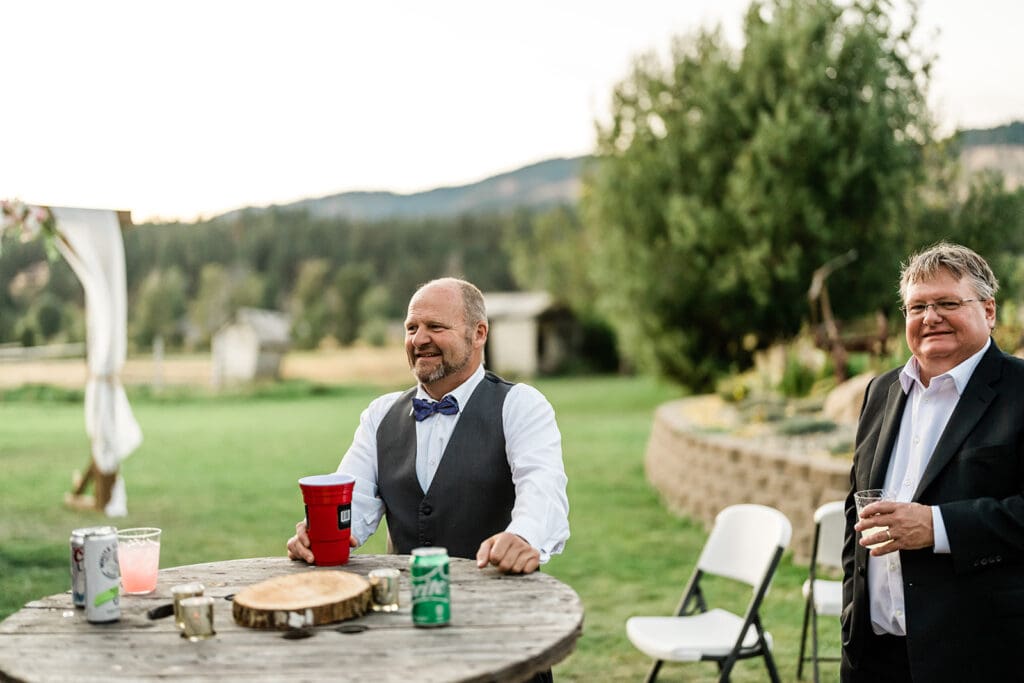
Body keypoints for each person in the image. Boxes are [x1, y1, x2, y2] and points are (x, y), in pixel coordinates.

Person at [287, 277, 570, 575]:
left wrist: (524, 535)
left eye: (435, 327)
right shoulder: (380, 414)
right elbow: (352, 502)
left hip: (496, 590)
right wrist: (317, 535)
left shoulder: (520, 405)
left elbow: (543, 486)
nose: (419, 340)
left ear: (478, 334)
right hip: (403, 596)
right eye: (411, 328)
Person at [841, 242, 1024, 682]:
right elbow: (854, 513)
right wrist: (851, 616)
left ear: (989, 311)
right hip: (874, 655)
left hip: (979, 657)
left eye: (947, 303)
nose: (930, 317)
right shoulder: (881, 392)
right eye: (917, 306)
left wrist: (937, 527)